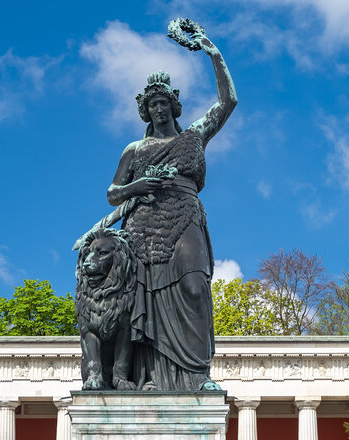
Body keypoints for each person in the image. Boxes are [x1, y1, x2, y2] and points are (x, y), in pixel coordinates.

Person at [105, 29, 236, 391]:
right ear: (145, 111)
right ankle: (150, 376)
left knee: (195, 286)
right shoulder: (135, 149)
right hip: (143, 226)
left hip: (185, 215)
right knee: (143, 301)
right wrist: (137, 186)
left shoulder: (193, 135)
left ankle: (197, 375)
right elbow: (113, 193)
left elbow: (228, 102)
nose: (158, 109)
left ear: (173, 106)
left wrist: (213, 53)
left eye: (163, 103)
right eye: (151, 105)